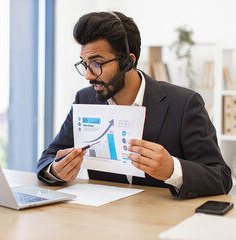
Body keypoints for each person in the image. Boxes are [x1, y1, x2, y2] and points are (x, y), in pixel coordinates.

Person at [36, 11, 232, 199]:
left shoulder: (184, 104)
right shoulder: (84, 99)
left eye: (97, 63)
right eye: (85, 64)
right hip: (102, 221)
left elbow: (220, 177)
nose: (88, 75)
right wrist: (55, 169)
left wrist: (173, 170)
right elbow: (49, 156)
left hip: (162, 223)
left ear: (128, 62)